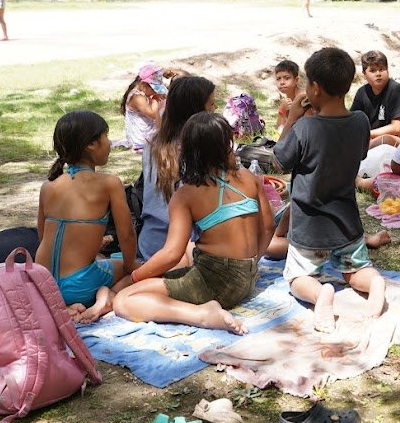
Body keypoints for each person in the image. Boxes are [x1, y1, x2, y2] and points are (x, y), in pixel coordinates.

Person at [112, 113, 272, 333]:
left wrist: (135, 277)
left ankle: (200, 314)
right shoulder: (249, 178)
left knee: (124, 300)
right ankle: (194, 297)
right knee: (190, 247)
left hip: (215, 283)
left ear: (187, 149)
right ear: (228, 143)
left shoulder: (187, 194)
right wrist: (252, 261)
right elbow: (267, 227)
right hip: (248, 277)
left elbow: (171, 254)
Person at [275, 47, 386, 333]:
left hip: (310, 229)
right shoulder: (360, 121)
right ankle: (375, 283)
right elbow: (359, 153)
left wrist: (292, 119)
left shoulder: (305, 127)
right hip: (347, 223)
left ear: (314, 87)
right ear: (348, 86)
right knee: (355, 271)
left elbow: (278, 161)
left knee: (298, 277)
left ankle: (320, 294)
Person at [35, 111, 138, 323]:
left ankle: (68, 304)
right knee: (139, 269)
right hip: (79, 286)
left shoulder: (48, 187)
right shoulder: (109, 183)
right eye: (106, 137)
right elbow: (126, 235)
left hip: (43, 285)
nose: (109, 143)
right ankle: (108, 298)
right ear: (91, 144)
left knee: (102, 260)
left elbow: (42, 235)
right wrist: (132, 267)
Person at [137, 75, 216, 262]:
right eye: (211, 104)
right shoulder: (201, 147)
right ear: (197, 110)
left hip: (150, 244)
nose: (215, 109)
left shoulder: (153, 144)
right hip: (187, 249)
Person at [350, 50, 400, 144]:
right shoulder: (362, 92)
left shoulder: (397, 90)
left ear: (387, 71)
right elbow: (353, 121)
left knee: (385, 140)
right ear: (364, 74)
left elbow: (397, 128)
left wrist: (367, 134)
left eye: (381, 69)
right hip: (373, 138)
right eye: (372, 70)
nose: (378, 74)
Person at [120, 63, 168, 151]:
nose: (155, 92)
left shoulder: (143, 94)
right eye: (153, 89)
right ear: (143, 84)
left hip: (146, 133)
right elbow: (153, 113)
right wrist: (155, 99)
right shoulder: (137, 97)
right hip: (140, 138)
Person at [273, 59, 301, 133]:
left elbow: (298, 129)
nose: (282, 82)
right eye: (278, 79)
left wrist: (282, 112)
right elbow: (277, 129)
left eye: (287, 78)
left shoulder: (302, 98)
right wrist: (282, 110)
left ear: (297, 80)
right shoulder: (287, 101)